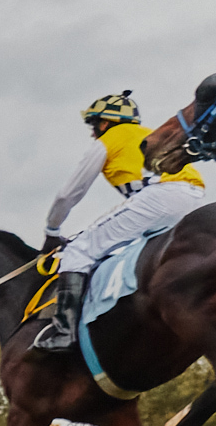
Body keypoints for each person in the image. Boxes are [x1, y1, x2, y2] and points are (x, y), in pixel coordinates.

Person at [33, 91, 206, 351]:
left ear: (105, 123)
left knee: (78, 251)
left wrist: (52, 230)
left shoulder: (109, 139)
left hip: (161, 196)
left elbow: (68, 194)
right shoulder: (149, 132)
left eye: (94, 125)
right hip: (195, 196)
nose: (93, 133)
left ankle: (64, 333)